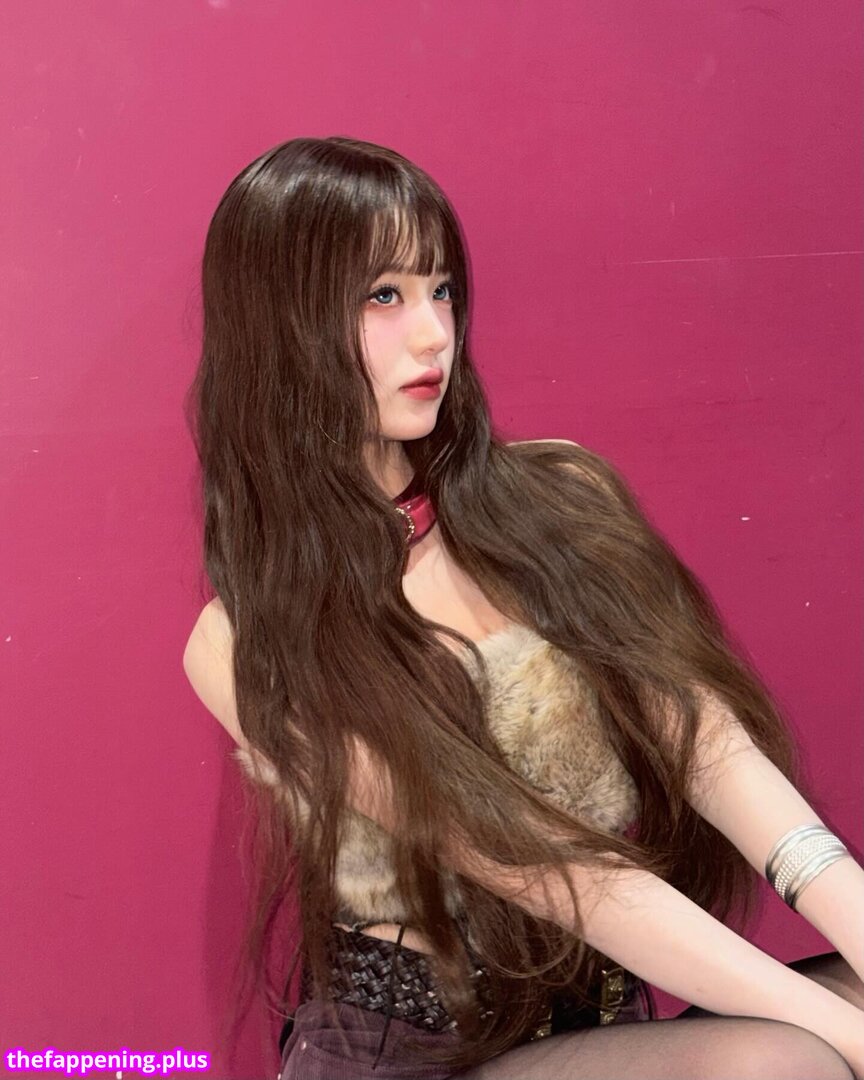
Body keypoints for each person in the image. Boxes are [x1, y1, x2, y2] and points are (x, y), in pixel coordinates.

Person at [181, 136, 864, 1080]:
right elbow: (556, 875)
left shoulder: (559, 500)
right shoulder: (247, 639)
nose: (434, 334)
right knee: (783, 1060)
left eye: (441, 289)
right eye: (383, 296)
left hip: (599, 1020)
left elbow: (707, 747)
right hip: (415, 1053)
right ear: (281, 323)